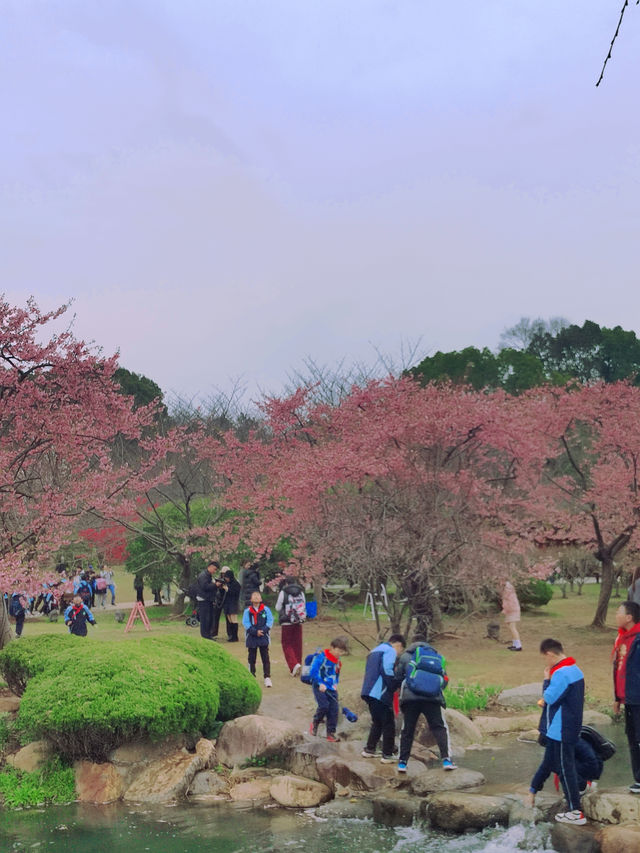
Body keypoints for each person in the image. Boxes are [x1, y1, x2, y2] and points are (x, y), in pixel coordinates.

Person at [527, 638, 586, 826]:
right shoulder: (576, 670)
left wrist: (546, 680)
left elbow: (550, 697)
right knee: (549, 763)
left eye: (545, 658)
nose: (546, 663)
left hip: (561, 728)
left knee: (565, 768)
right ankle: (532, 793)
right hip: (568, 726)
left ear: (550, 654)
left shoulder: (561, 673)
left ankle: (575, 811)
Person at [394, 634, 455, 772]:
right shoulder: (436, 657)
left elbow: (398, 677)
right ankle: (446, 760)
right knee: (439, 727)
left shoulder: (405, 656)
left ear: (412, 643)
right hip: (432, 699)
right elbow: (444, 678)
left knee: (407, 730)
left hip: (411, 699)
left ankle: (402, 763)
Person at [361, 633, 406, 762]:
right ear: (397, 644)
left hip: (368, 691)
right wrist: (394, 684)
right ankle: (387, 754)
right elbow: (386, 669)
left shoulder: (374, 651)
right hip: (380, 692)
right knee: (388, 723)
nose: (399, 653)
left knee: (377, 722)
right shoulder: (389, 650)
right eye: (401, 649)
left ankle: (369, 749)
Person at [612, 600, 640, 793]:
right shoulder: (621, 638)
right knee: (632, 738)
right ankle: (638, 778)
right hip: (628, 698)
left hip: (638, 697)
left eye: (619, 612)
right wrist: (617, 698)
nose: (616, 615)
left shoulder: (637, 639)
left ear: (629, 617)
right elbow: (619, 670)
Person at [308, 636, 350, 742]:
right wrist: (319, 683)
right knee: (324, 706)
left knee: (334, 710)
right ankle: (315, 723)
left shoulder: (337, 661)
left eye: (342, 652)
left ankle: (331, 733)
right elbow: (313, 671)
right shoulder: (321, 657)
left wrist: (335, 684)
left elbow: (336, 674)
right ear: (332, 647)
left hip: (331, 687)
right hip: (319, 686)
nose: (339, 654)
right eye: (338, 651)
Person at [275, 576, 307, 676]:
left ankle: (294, 665)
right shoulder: (300, 592)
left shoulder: (283, 592)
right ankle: (298, 663)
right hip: (298, 621)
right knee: (297, 644)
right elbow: (304, 605)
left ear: (286, 583)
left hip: (286, 622)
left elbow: (278, 607)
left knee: (286, 644)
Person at [242, 590, 274, 687]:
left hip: (263, 636)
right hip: (252, 637)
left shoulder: (266, 610)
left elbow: (270, 621)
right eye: (254, 596)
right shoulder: (247, 611)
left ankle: (267, 677)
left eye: (258, 596)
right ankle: (252, 676)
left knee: (265, 657)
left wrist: (263, 631)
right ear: (251, 599)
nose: (256, 597)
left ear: (261, 599)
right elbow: (246, 623)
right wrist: (255, 632)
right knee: (252, 657)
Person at [195, 560, 220, 640]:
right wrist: (215, 585)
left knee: (209, 618)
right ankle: (205, 636)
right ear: (210, 567)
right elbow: (205, 587)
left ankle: (208, 635)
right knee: (205, 619)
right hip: (203, 599)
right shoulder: (203, 575)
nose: (214, 571)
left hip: (208, 599)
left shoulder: (208, 575)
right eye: (214, 569)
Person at [502, 580, 522, 651]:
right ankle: (515, 644)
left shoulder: (508, 589)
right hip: (510, 611)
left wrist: (506, 609)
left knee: (512, 627)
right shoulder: (507, 589)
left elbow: (510, 603)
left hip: (513, 611)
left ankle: (518, 645)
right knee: (509, 626)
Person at [222, 567, 241, 642]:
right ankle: (231, 635)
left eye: (227, 577)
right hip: (227, 603)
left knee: (234, 619)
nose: (226, 579)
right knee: (229, 619)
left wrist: (228, 589)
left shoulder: (236, 584)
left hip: (233, 603)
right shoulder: (227, 583)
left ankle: (235, 636)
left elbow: (235, 593)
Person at [211, 575, 227, 640]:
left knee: (215, 619)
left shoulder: (222, 590)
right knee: (214, 619)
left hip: (218, 605)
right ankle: (213, 632)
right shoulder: (215, 588)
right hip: (215, 604)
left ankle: (213, 632)